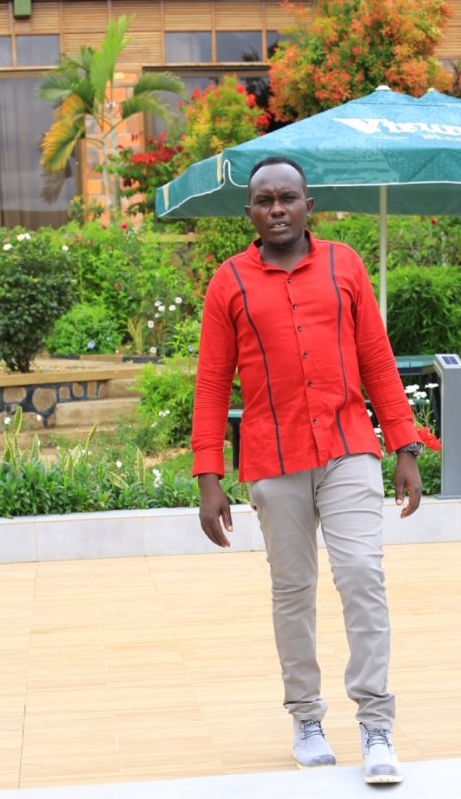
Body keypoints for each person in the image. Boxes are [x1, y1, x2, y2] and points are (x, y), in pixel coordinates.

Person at [191, 156, 423, 785]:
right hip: (272, 457)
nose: (277, 209)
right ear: (249, 212)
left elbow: (376, 358)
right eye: (265, 200)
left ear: (308, 205)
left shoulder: (345, 265)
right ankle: (306, 718)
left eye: (287, 198)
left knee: (362, 576)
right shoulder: (229, 283)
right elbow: (212, 382)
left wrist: (404, 445)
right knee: (292, 591)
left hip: (349, 447)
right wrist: (209, 476)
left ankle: (376, 724)